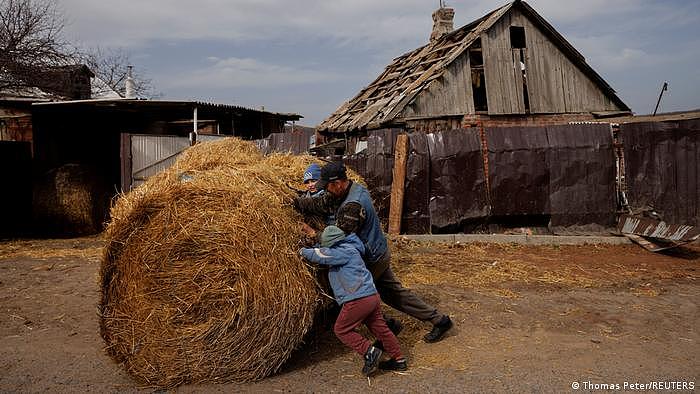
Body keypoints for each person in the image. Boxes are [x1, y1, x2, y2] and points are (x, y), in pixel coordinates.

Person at [293, 161, 453, 343]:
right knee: (393, 294)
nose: (326, 191)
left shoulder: (353, 204)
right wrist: (296, 202)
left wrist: (313, 233)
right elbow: (321, 203)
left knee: (353, 298)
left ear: (337, 183)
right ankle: (439, 320)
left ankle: (387, 329)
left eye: (327, 186)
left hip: (371, 257)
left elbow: (337, 237)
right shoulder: (347, 190)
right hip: (376, 251)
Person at [300, 226, 407, 375]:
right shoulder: (351, 248)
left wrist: (301, 251)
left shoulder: (343, 252)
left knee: (341, 329)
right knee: (380, 329)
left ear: (333, 243)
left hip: (358, 298)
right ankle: (399, 360)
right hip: (371, 296)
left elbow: (322, 255)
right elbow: (326, 252)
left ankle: (369, 351)